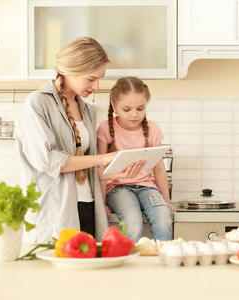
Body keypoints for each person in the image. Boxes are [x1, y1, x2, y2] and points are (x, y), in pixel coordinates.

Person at [15, 37, 144, 242]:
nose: (97, 85)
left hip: (88, 208)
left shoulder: (86, 109)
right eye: (91, 79)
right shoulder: (37, 103)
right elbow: (48, 161)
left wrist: (120, 172)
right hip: (55, 213)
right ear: (71, 70)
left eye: (100, 78)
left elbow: (86, 169)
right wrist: (101, 159)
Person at [97, 77, 174, 242]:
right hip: (118, 188)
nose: (134, 114)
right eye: (127, 109)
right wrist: (102, 203)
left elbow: (159, 169)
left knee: (164, 218)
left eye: (140, 108)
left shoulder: (152, 129)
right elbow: (100, 169)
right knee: (133, 222)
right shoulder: (105, 129)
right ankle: (130, 265)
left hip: (147, 187)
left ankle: (163, 263)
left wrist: (166, 201)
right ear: (114, 106)